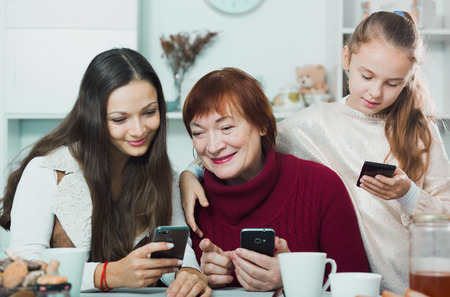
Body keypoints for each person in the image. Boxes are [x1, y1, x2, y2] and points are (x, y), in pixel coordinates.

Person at [180, 11, 450, 294]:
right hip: (360, 288)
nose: (375, 92)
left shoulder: (421, 132)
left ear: (408, 79)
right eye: (366, 76)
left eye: (392, 83)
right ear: (346, 58)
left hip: (425, 285)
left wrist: (408, 194)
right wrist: (191, 173)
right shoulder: (310, 124)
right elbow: (240, 144)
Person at [0, 48, 211, 297]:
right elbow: (22, 271)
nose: (138, 130)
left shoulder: (165, 175)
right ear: (93, 117)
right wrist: (107, 275)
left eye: (149, 112)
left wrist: (188, 273)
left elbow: (176, 254)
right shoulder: (47, 171)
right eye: (120, 119)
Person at [181, 67, 369, 292]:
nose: (212, 146)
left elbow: (359, 290)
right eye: (198, 133)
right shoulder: (188, 202)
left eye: (227, 127)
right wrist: (200, 279)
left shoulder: (321, 186)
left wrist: (293, 280)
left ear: (262, 124)